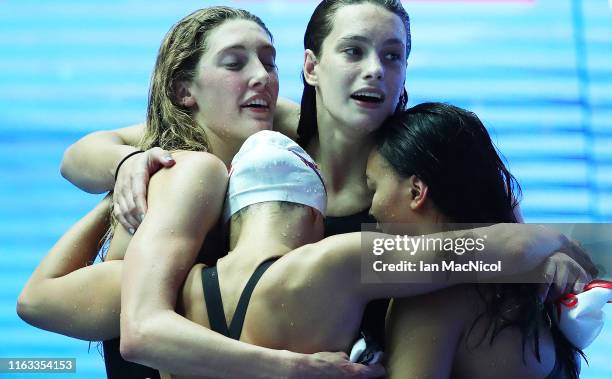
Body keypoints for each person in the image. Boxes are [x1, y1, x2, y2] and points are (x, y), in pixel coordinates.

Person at [19, 128, 595, 379]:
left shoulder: (162, 290)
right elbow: (486, 248)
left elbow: (35, 300)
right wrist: (549, 243)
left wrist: (127, 186)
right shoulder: (338, 263)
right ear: (316, 214)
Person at [18, 6, 383, 379]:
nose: (263, 77)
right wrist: (124, 166)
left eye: (269, 62)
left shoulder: (257, 139)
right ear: (184, 90)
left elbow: (38, 301)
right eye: (234, 63)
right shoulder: (190, 173)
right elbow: (77, 157)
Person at [368, 103, 586, 378]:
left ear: (416, 191)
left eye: (372, 187)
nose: (371, 208)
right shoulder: (531, 280)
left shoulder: (429, 297)